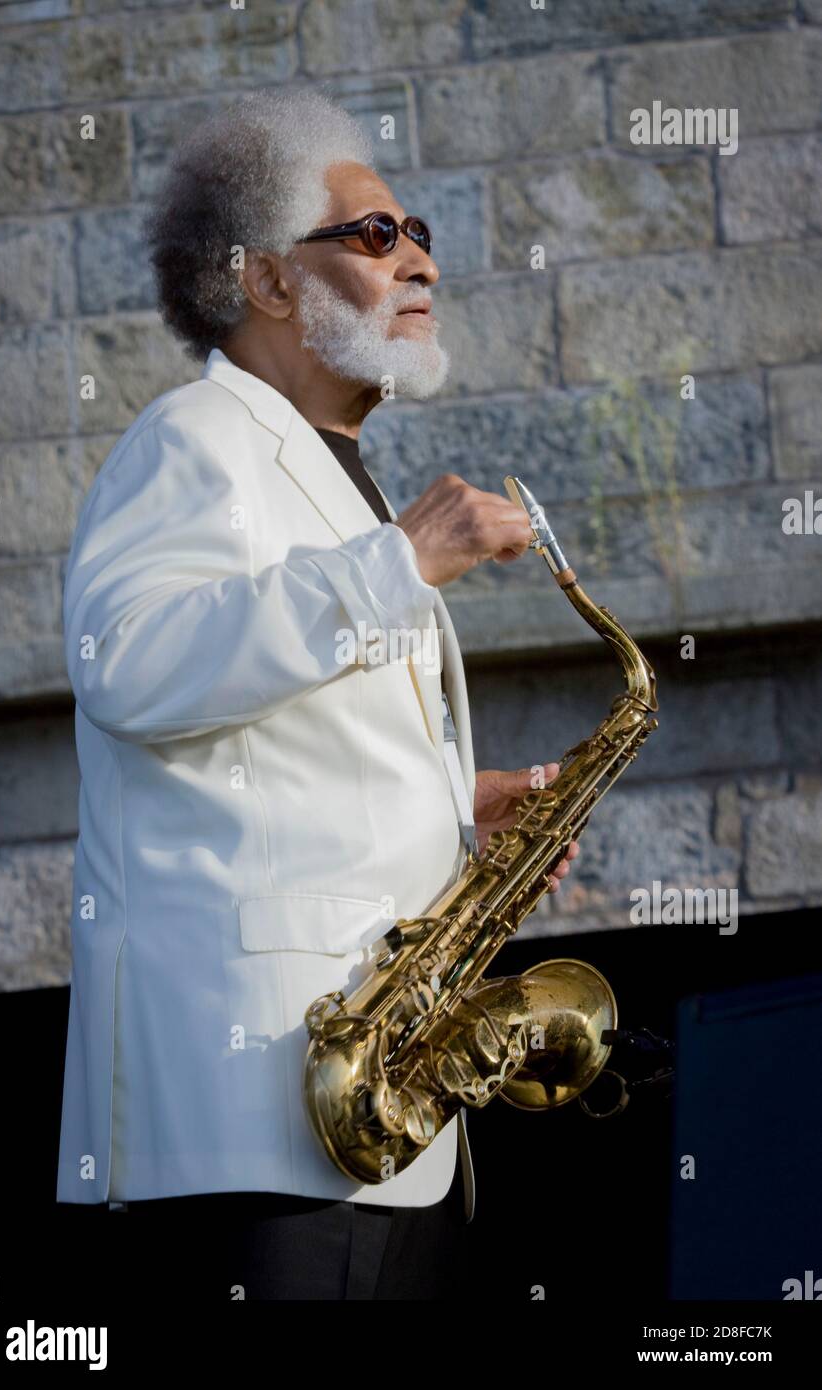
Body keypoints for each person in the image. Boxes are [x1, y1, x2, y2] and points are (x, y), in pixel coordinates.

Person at [55, 85, 579, 1301]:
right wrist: (397, 561)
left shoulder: (335, 476)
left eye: (422, 233)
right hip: (251, 1123)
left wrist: (457, 808)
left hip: (382, 1119)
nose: (419, 262)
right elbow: (128, 662)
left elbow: (281, 742)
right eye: (374, 233)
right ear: (268, 281)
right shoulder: (194, 437)